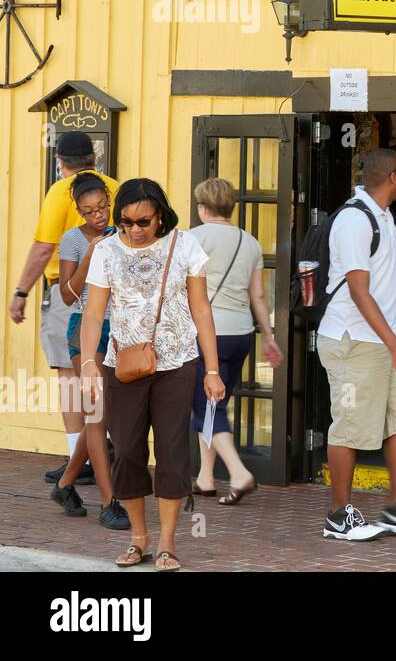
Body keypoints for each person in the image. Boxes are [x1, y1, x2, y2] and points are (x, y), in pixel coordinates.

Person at [79, 178, 225, 572]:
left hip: (177, 363)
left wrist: (212, 369)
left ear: (160, 214)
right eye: (125, 222)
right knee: (125, 450)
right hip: (122, 364)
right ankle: (138, 537)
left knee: (172, 449)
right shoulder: (106, 251)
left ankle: (166, 543)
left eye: (143, 221)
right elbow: (93, 313)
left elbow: (202, 311)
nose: (134, 230)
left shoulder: (185, 246)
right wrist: (90, 362)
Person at [317, 148, 396, 541]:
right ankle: (338, 516)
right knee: (350, 425)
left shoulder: (384, 217)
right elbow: (359, 291)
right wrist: (395, 345)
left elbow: (385, 293)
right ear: (394, 176)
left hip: (382, 341)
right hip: (352, 341)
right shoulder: (355, 220)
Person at [8, 130, 118, 487]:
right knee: (103, 369)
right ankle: (105, 444)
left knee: (69, 373)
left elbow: (44, 248)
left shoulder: (61, 191)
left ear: (61, 163)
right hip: (114, 290)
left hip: (72, 289)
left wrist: (21, 290)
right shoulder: (114, 187)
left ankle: (79, 455)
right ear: (94, 159)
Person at [189, 178, 283, 505]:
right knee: (215, 404)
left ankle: (238, 472)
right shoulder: (251, 243)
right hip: (240, 332)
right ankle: (205, 477)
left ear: (202, 207)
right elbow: (257, 295)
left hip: (205, 333)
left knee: (205, 406)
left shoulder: (192, 239)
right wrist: (268, 337)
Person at [50, 173, 128, 529]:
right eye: (89, 211)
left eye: (102, 208)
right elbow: (67, 294)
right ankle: (110, 502)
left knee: (105, 416)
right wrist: (93, 253)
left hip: (122, 331)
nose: (98, 216)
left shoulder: (126, 234)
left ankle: (66, 483)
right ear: (79, 211)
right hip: (86, 328)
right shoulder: (72, 239)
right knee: (96, 414)